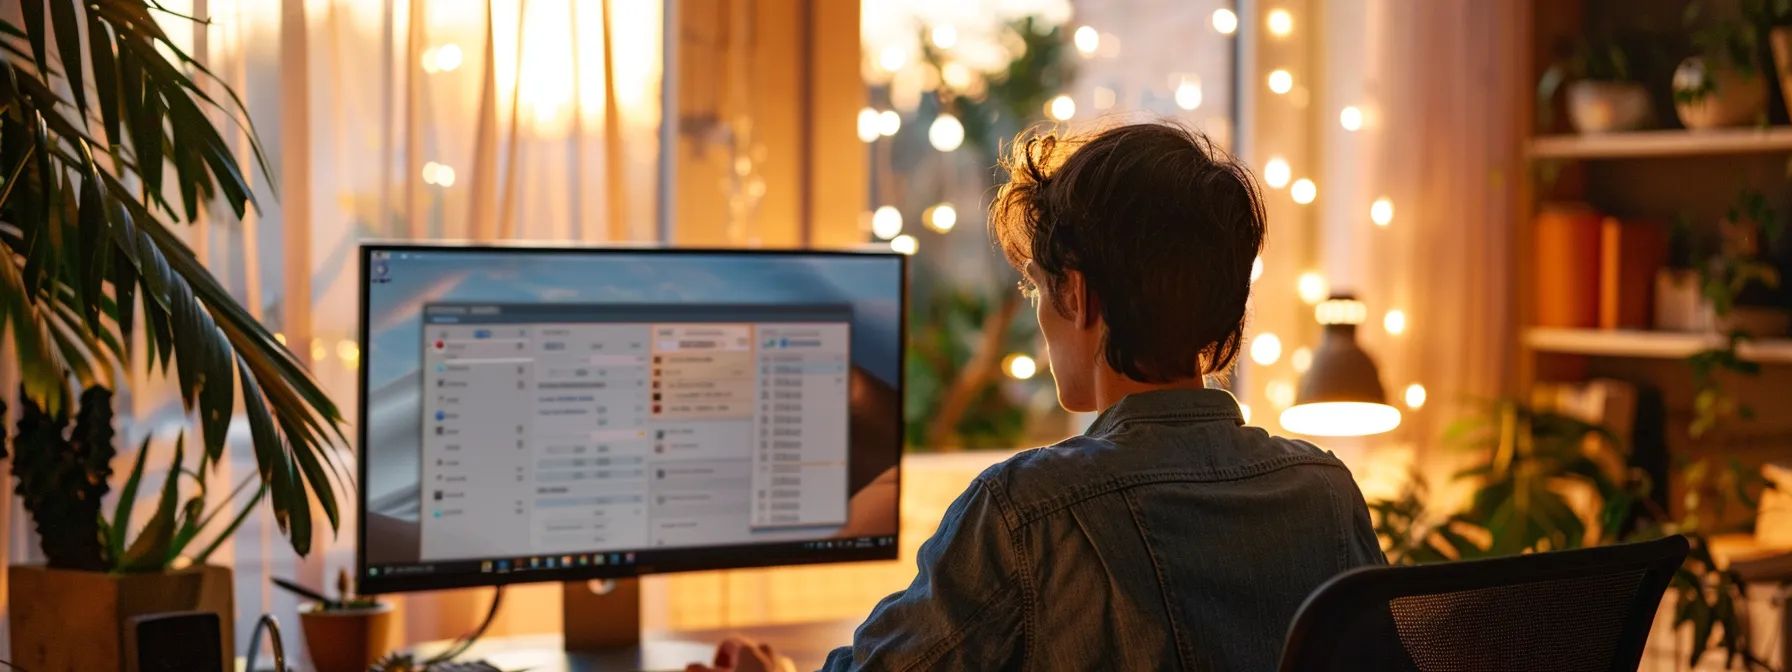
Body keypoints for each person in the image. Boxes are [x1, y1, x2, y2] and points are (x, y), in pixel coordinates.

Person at [688, 121, 1386, 672]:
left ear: (1077, 294)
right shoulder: (1326, 491)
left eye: (1036, 287)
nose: (1038, 310)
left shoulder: (1026, 512)